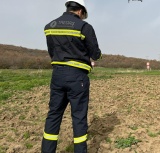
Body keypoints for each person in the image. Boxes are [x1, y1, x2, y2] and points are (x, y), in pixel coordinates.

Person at [41, 0, 102, 152]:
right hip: (77, 77)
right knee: (79, 118)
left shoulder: (50, 27)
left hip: (57, 75)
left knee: (53, 115)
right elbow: (95, 54)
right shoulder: (84, 27)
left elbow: (52, 52)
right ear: (81, 11)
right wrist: (98, 55)